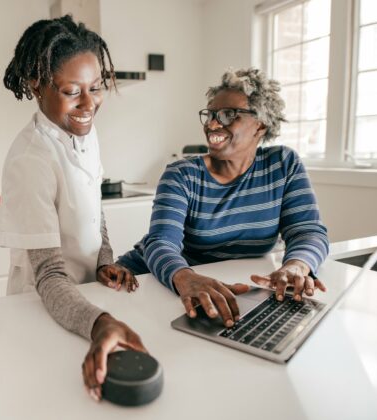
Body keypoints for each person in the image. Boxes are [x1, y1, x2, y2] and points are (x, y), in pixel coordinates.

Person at [0, 15, 146, 401]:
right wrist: (100, 324)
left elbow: (94, 208)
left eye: (96, 87)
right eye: (71, 91)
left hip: (83, 300)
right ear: (36, 84)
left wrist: (104, 261)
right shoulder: (30, 159)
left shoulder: (84, 130)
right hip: (45, 304)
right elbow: (48, 274)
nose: (89, 103)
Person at [118, 68, 329, 328]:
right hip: (152, 280)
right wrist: (186, 277)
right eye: (210, 114)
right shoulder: (182, 175)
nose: (212, 124)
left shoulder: (283, 165)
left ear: (260, 124)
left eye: (229, 115)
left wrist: (297, 265)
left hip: (220, 288)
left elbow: (308, 231)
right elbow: (160, 242)